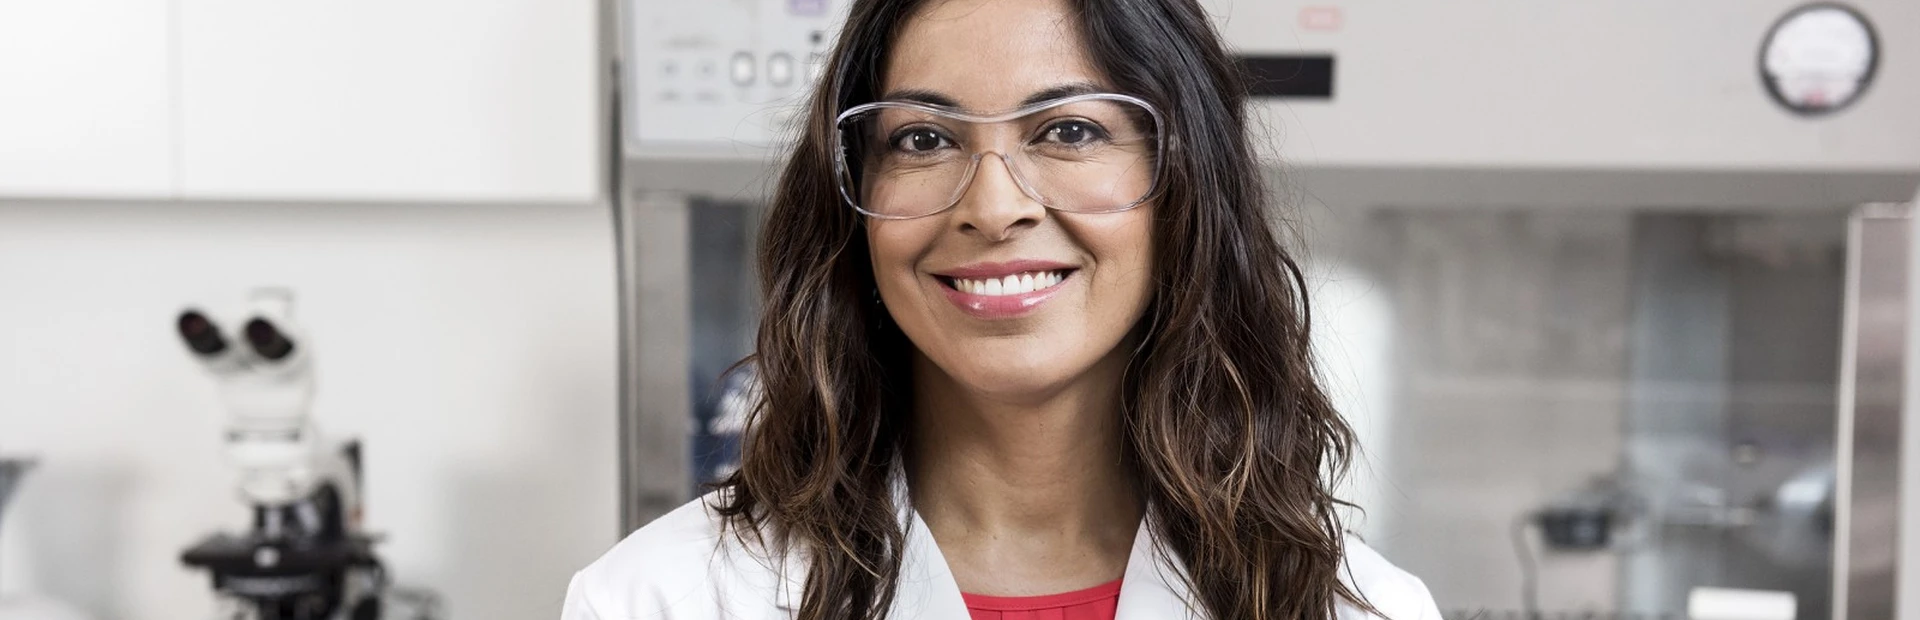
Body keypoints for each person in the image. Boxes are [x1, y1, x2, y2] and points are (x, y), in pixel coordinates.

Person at [564, 0, 1443, 617]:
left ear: (1184, 184)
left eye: (1069, 131)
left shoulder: (1360, 610)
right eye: (924, 139)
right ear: (853, 200)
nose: (992, 206)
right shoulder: (660, 600)